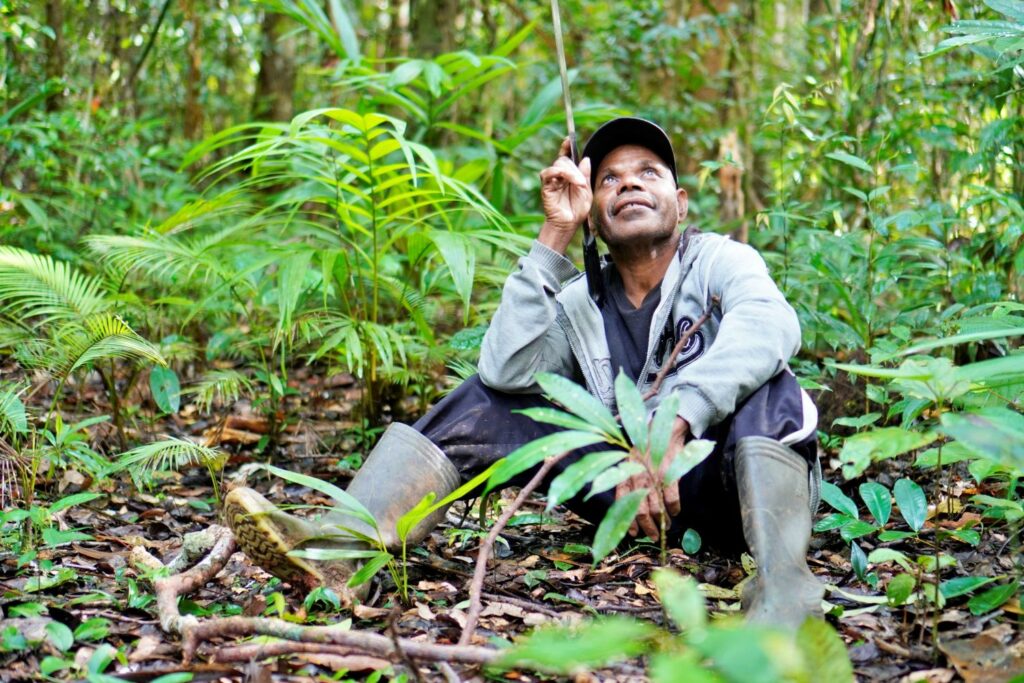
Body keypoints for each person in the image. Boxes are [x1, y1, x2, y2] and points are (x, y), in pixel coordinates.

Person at [223, 117, 824, 629]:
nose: (629, 184)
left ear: (681, 200)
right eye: (609, 178)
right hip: (619, 489)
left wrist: (678, 416)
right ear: (596, 213)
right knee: (488, 397)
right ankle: (342, 549)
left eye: (648, 172)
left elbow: (771, 324)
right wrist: (554, 235)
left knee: (772, 388)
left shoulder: (720, 260)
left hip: (726, 490)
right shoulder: (578, 301)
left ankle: (782, 598)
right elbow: (505, 373)